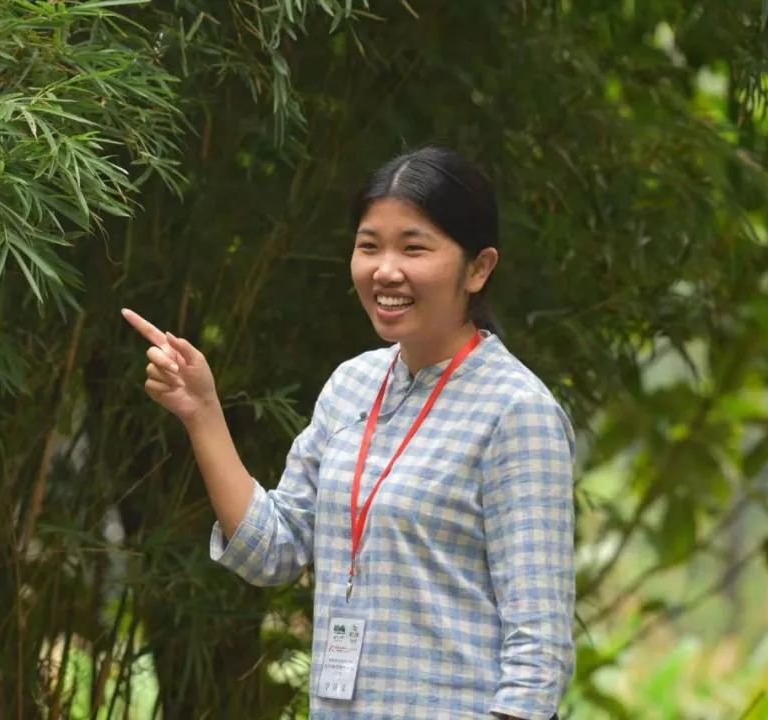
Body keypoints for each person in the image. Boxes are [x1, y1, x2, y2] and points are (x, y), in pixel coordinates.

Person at [122, 146, 575, 720]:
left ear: (478, 268)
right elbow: (274, 551)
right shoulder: (352, 385)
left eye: (414, 247)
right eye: (369, 246)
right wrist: (203, 412)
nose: (386, 270)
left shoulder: (517, 412)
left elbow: (539, 645)